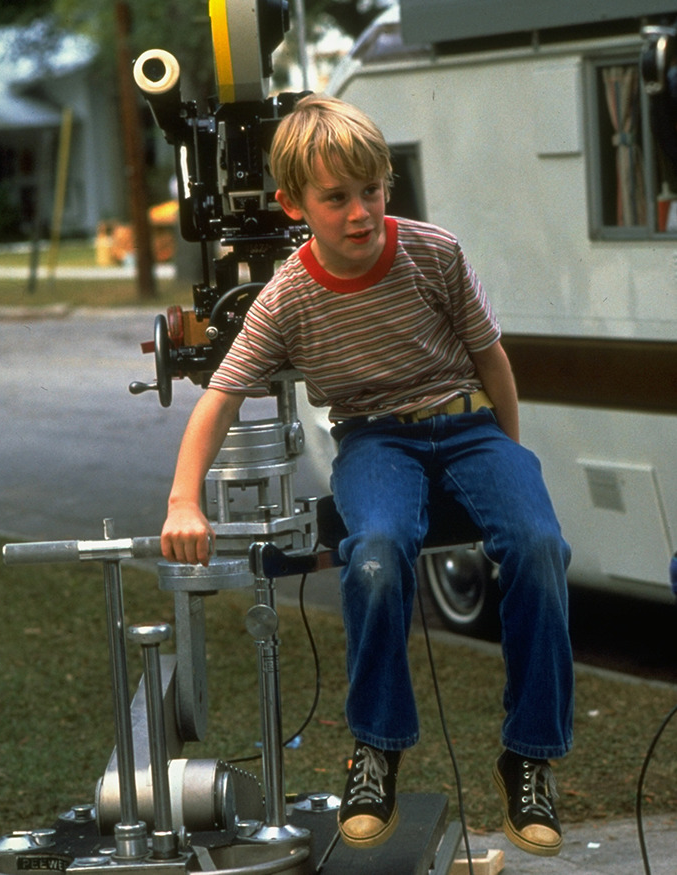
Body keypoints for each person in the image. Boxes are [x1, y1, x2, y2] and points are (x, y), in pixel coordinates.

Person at [160, 94, 574, 857]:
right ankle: (376, 747)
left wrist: (509, 468)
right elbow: (219, 397)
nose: (360, 213)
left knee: (539, 543)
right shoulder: (288, 296)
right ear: (294, 205)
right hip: (375, 440)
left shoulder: (433, 251)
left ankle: (530, 756)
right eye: (337, 198)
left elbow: (492, 361)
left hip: (470, 424)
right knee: (376, 553)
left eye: (373, 191)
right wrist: (184, 497)